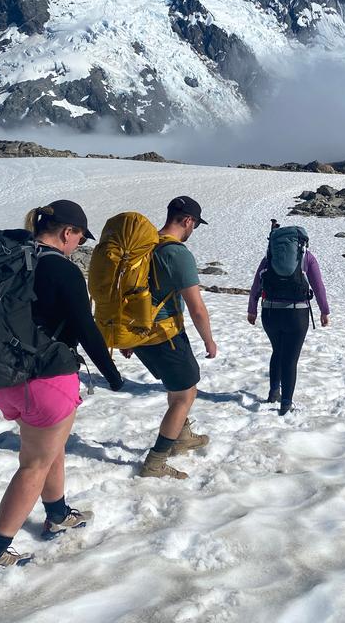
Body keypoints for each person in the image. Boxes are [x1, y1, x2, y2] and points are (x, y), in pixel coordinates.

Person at [0, 200, 124, 571]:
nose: (78, 245)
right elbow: (85, 327)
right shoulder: (61, 269)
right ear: (67, 232)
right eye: (79, 238)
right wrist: (112, 374)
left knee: (51, 447)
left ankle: (58, 514)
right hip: (46, 378)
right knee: (35, 464)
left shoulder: (11, 260)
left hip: (5, 377)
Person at [122, 196, 217, 479]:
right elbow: (196, 307)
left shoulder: (144, 244)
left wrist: (127, 336)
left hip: (139, 333)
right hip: (164, 334)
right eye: (195, 225)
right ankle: (156, 462)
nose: (193, 230)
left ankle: (182, 435)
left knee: (178, 388)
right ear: (188, 221)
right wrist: (208, 341)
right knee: (185, 394)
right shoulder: (177, 253)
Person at [247, 227, 329, 416]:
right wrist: (324, 311)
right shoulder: (306, 257)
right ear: (301, 242)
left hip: (269, 314)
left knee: (278, 351)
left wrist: (252, 309)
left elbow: (256, 285)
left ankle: (273, 393)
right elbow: (318, 286)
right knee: (290, 359)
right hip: (296, 315)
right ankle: (286, 404)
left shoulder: (270, 257)